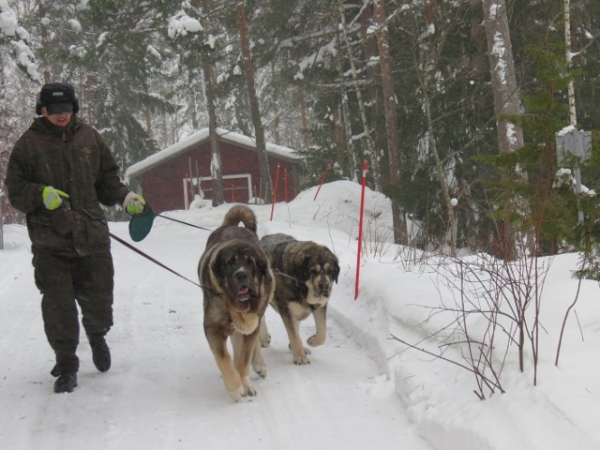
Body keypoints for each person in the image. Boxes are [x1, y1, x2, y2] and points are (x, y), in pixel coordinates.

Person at [4, 82, 146, 394]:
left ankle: (96, 335)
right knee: (58, 306)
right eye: (54, 110)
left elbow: (106, 180)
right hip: (50, 241)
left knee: (99, 299)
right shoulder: (28, 145)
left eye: (66, 109)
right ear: (43, 110)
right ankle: (66, 364)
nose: (61, 115)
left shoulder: (90, 137)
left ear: (74, 108)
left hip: (92, 235)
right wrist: (40, 194)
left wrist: (124, 198)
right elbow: (14, 191)